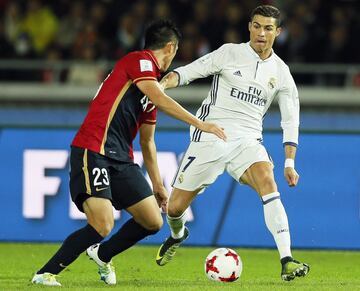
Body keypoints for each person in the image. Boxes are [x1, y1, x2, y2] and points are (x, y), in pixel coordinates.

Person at [31, 19, 226, 287]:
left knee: (152, 220)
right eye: (175, 52)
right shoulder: (139, 61)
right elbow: (158, 97)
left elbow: (147, 141)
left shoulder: (150, 89)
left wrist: (158, 186)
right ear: (170, 47)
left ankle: (102, 254)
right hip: (94, 148)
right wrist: (200, 123)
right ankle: (45, 273)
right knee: (102, 224)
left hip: (121, 158)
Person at [155, 5, 310, 281]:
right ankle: (177, 234)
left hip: (248, 140)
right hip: (211, 135)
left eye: (268, 28)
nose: (262, 33)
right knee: (176, 207)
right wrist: (163, 84)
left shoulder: (282, 73)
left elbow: (290, 120)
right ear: (250, 26)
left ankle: (287, 259)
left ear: (278, 32)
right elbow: (191, 71)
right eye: (257, 26)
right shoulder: (230, 53)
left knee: (267, 181)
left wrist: (289, 162)